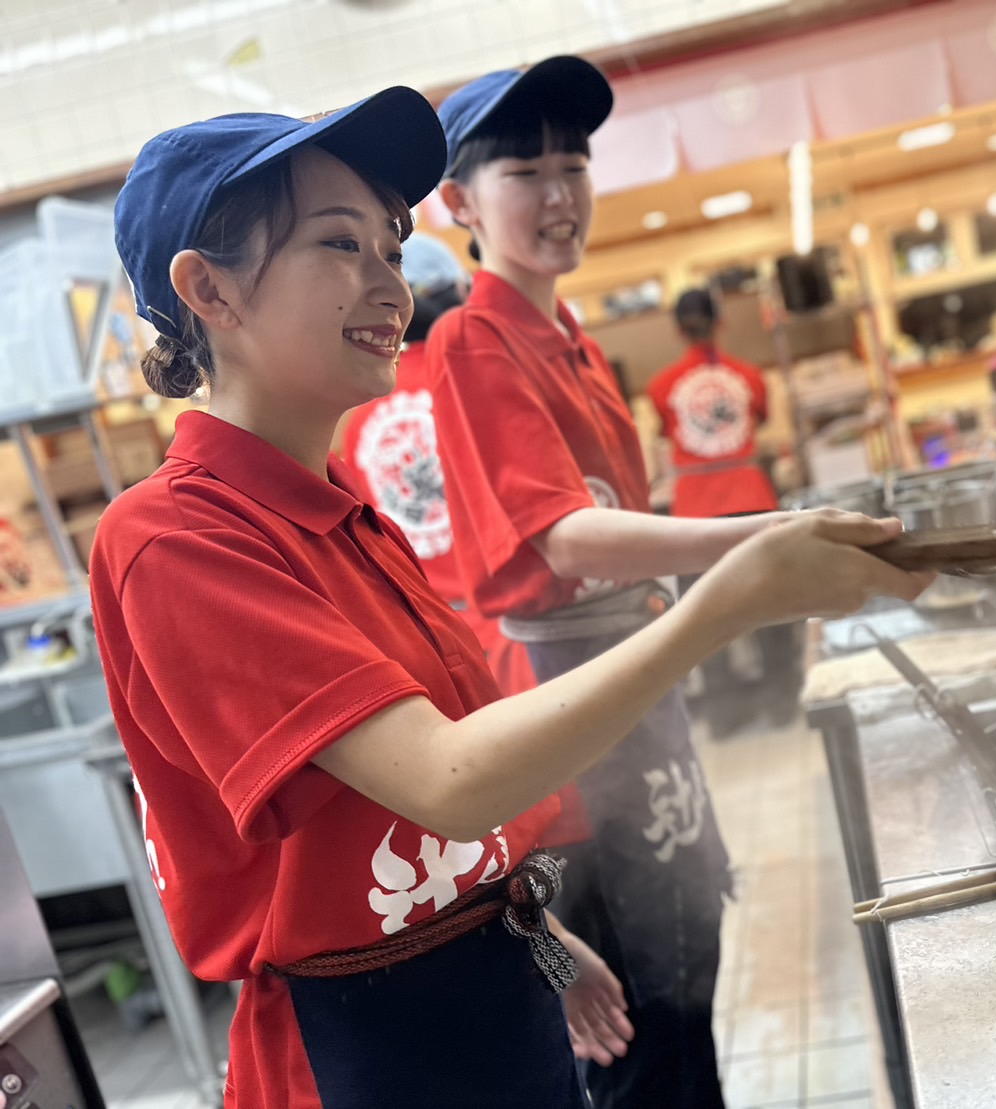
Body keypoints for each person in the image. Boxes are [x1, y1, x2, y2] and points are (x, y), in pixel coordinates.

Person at [89, 87, 927, 1109]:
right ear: (207, 292)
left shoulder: (348, 509)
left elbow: (428, 798)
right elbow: (445, 776)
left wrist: (535, 924)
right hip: (366, 1046)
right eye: (340, 245)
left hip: (490, 987)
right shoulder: (173, 537)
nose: (389, 284)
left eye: (393, 249)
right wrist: (730, 597)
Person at [427, 57, 815, 1108]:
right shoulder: (470, 338)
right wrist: (762, 537)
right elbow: (564, 539)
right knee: (632, 1034)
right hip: (565, 715)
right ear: (458, 202)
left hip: (638, 697)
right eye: (527, 173)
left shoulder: (578, 345)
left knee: (690, 993)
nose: (560, 196)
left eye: (575, 166)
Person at [337, 233, 539, 699]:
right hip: (519, 629)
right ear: (458, 297)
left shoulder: (360, 418)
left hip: (434, 648)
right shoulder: (485, 383)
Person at [647, 287, 802, 735]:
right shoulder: (750, 377)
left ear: (678, 329)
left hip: (695, 514)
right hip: (752, 503)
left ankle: (726, 715)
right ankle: (782, 700)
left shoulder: (661, 387)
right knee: (771, 606)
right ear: (723, 322)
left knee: (706, 615)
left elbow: (664, 430)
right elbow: (763, 420)